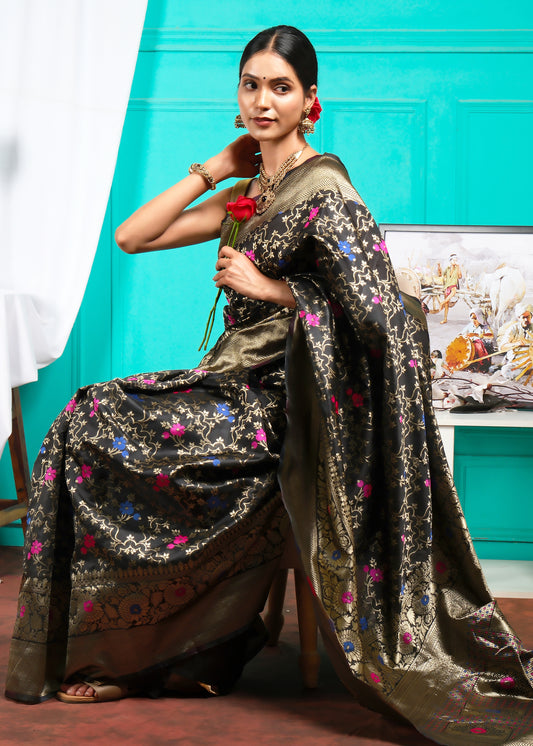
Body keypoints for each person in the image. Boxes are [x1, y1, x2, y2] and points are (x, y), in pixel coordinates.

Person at [6, 25, 533, 745]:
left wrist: (280, 293)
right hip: (231, 383)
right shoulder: (257, 190)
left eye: (279, 87)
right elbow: (134, 237)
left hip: (290, 406)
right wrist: (213, 170)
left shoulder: (326, 192)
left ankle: (164, 649)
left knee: (107, 421)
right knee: (88, 413)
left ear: (310, 101)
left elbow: (392, 320)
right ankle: (160, 646)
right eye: (250, 85)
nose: (263, 100)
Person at [498, 302, 533, 381]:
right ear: (518, 317)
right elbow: (502, 347)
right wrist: (515, 344)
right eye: (523, 317)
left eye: (528, 317)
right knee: (505, 371)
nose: (526, 320)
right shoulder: (513, 329)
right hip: (516, 362)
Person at [460, 307, 494, 372]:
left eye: (475, 319)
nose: (474, 321)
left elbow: (491, 335)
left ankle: (481, 366)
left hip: (483, 346)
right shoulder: (470, 325)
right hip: (472, 345)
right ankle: (468, 365)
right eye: (472, 318)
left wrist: (476, 335)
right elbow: (462, 333)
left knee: (477, 345)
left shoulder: (485, 326)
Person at [438, 253, 462, 324]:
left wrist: (458, 267)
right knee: (447, 305)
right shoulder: (448, 269)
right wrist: (439, 266)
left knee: (453, 291)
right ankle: (445, 319)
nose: (455, 261)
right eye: (453, 260)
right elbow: (441, 274)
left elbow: (460, 276)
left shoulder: (457, 268)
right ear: (450, 261)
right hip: (447, 286)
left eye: (456, 260)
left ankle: (442, 302)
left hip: (453, 286)